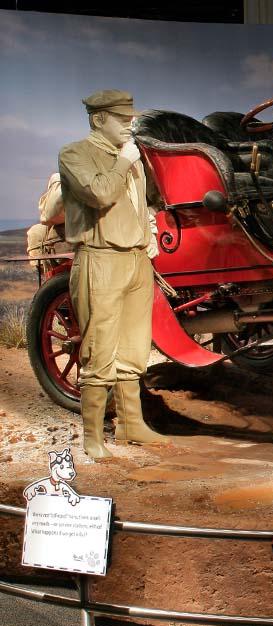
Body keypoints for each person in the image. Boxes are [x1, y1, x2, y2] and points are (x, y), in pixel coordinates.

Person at [58, 89, 168, 459]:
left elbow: (147, 200)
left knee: (135, 346)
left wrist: (149, 231)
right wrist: (123, 162)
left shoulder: (131, 157)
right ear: (98, 119)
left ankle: (131, 424)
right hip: (100, 258)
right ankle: (92, 436)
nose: (130, 125)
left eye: (131, 119)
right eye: (123, 119)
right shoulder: (76, 154)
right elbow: (99, 194)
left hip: (137, 258)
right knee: (99, 346)